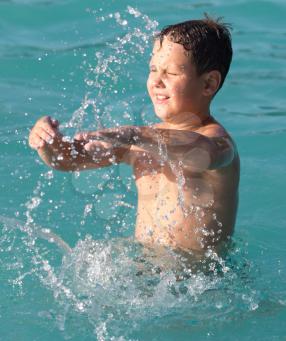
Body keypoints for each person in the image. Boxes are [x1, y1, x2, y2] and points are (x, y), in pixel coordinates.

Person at [28, 15, 240, 255]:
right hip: (144, 273)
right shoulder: (142, 140)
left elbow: (201, 153)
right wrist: (47, 142)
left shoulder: (219, 143)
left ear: (208, 84)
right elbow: (67, 160)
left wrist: (133, 135)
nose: (157, 81)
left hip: (203, 283)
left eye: (170, 73)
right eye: (153, 69)